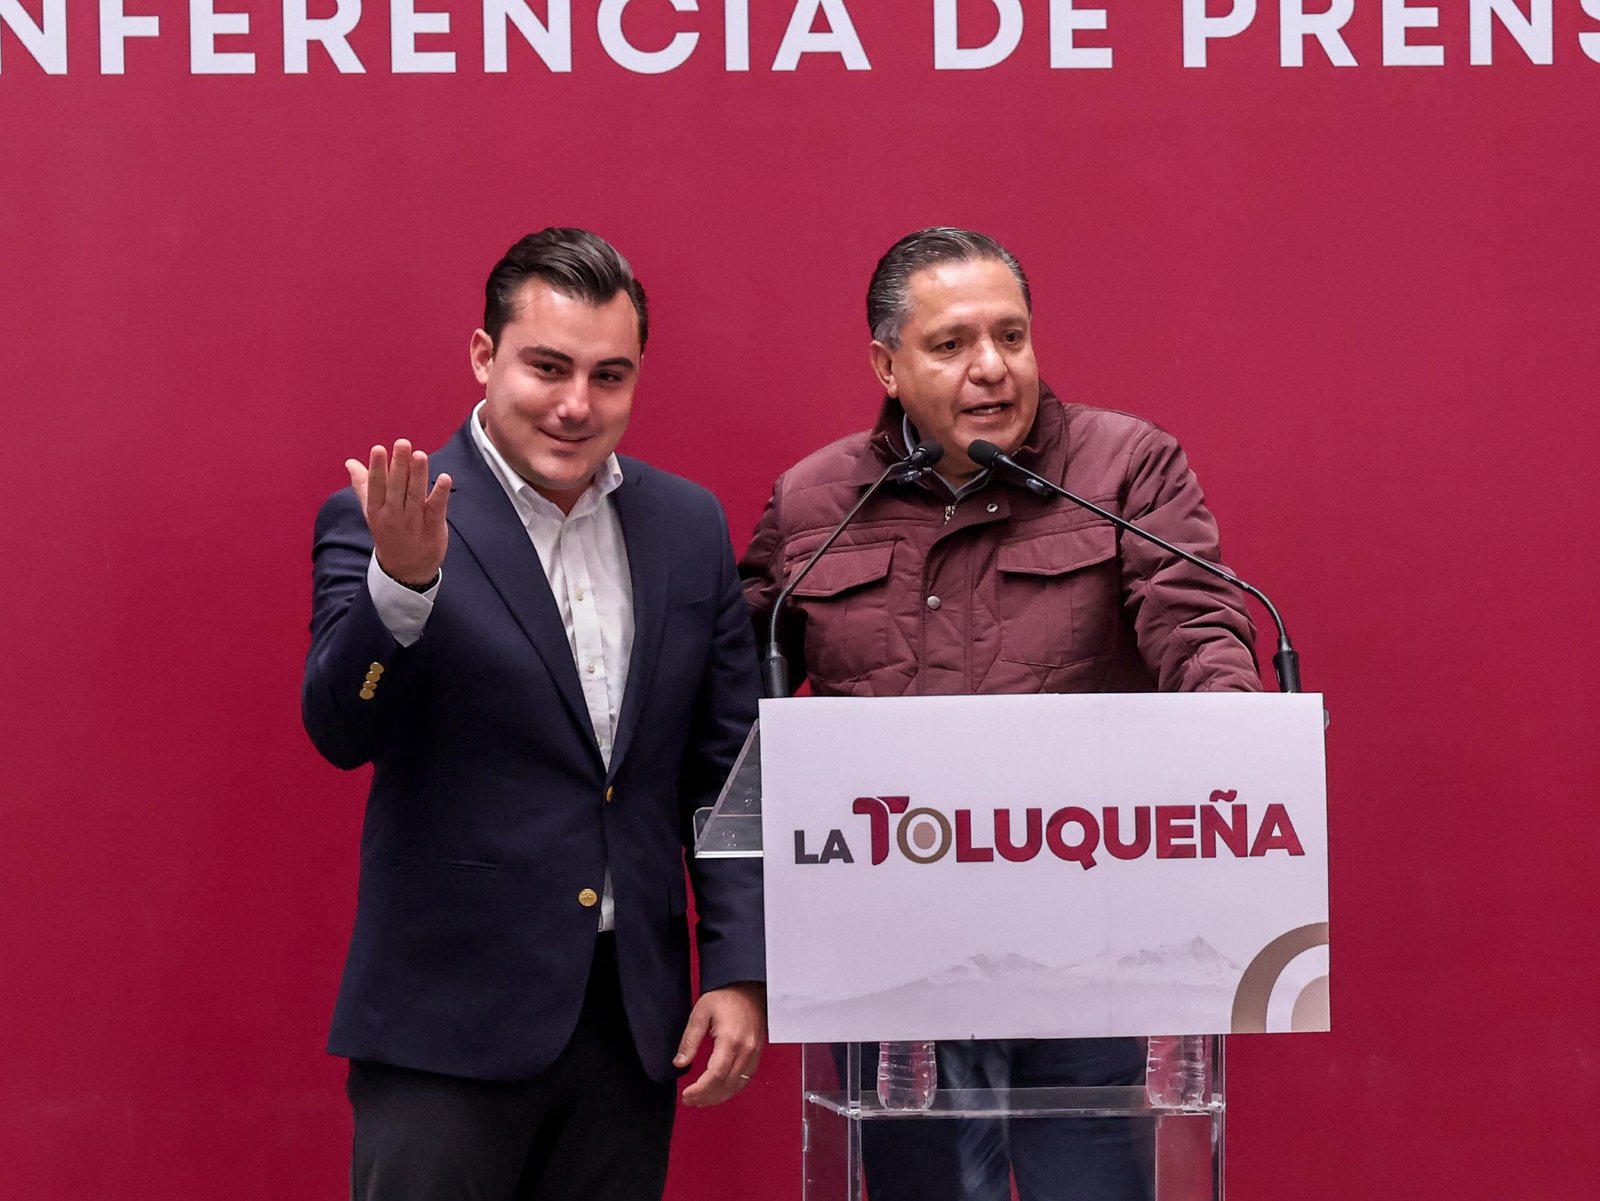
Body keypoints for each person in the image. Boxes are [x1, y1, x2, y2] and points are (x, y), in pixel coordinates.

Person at [739, 227, 1261, 1200]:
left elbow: (1197, 628)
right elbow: (734, 708)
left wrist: (1238, 743)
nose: (992, 367)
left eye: (1011, 336)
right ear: (886, 366)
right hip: (891, 963)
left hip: (1084, 946)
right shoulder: (815, 503)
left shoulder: (1123, 469)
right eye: (951, 344)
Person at [303, 227, 766, 1201]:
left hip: (631, 1023)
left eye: (609, 375)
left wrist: (739, 967)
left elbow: (728, 769)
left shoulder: (689, 526)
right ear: (484, 355)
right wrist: (402, 586)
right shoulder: (388, 517)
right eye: (547, 367)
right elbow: (340, 728)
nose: (576, 404)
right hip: (444, 1028)